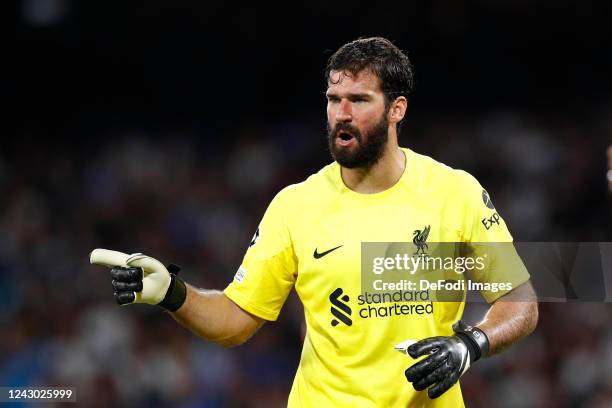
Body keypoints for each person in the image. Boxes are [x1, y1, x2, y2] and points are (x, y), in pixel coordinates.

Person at [91, 37, 538, 407]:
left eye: (358, 100)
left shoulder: (454, 193)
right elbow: (237, 318)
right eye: (333, 100)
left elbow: (520, 302)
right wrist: (175, 294)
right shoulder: (297, 205)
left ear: (396, 109)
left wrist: (469, 344)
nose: (341, 114)